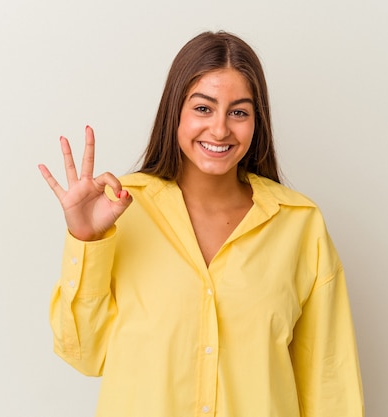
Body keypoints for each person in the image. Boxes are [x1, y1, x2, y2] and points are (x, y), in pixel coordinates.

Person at [39, 31, 364, 417]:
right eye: (203, 108)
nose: (221, 129)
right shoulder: (120, 211)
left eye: (239, 112)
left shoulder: (299, 225)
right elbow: (84, 354)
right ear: (175, 111)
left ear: (256, 122)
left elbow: (330, 386)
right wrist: (86, 238)